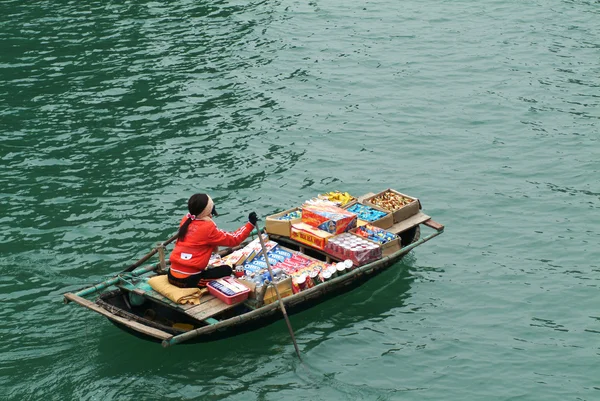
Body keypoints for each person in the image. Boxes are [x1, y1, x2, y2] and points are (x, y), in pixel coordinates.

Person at [168, 193, 258, 288]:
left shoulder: (186, 219)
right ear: (207, 210)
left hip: (171, 274)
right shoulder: (207, 228)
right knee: (226, 270)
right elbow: (234, 239)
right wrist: (250, 224)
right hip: (189, 280)